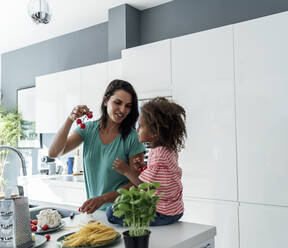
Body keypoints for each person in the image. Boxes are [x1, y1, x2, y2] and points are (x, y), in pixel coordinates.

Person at [48, 80, 146, 213]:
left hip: (124, 213)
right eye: (118, 103)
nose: (123, 110)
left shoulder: (133, 138)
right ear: (106, 101)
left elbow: (138, 183)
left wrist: (103, 199)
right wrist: (70, 119)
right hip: (95, 212)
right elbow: (53, 153)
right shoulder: (88, 130)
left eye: (128, 106)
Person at [106, 97, 187, 226]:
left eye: (141, 126)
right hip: (174, 210)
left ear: (154, 133)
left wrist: (126, 171)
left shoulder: (159, 155)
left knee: (112, 212)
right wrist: (143, 168)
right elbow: (160, 180)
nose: (137, 129)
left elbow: (146, 186)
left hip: (162, 213)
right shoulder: (167, 151)